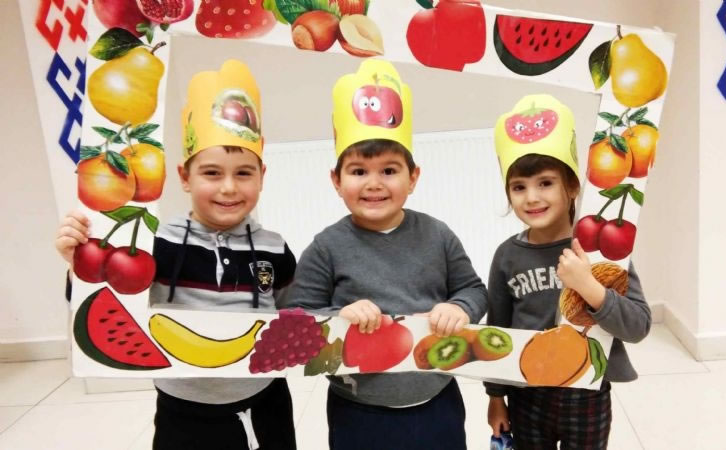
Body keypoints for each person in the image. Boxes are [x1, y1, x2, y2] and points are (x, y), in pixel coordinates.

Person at [55, 60, 297, 450]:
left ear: (262, 176)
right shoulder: (154, 244)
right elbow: (109, 303)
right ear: (185, 177)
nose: (229, 188)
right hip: (182, 408)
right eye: (212, 173)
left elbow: (293, 313)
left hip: (265, 401)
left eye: (244, 173)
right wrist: (78, 266)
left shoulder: (275, 247)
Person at [283, 59, 488, 450]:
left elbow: (474, 290)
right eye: (358, 171)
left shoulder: (438, 234)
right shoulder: (326, 247)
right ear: (336, 181)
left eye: (389, 171)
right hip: (358, 410)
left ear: (413, 178)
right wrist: (338, 316)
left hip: (437, 401)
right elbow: (299, 319)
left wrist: (459, 307)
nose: (374, 184)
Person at [484, 94, 651, 450]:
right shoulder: (506, 256)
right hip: (527, 393)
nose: (531, 197)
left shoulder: (600, 250)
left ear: (573, 186)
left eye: (545, 183)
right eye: (519, 187)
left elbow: (638, 326)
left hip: (587, 393)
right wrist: (496, 397)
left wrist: (589, 287)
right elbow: (497, 327)